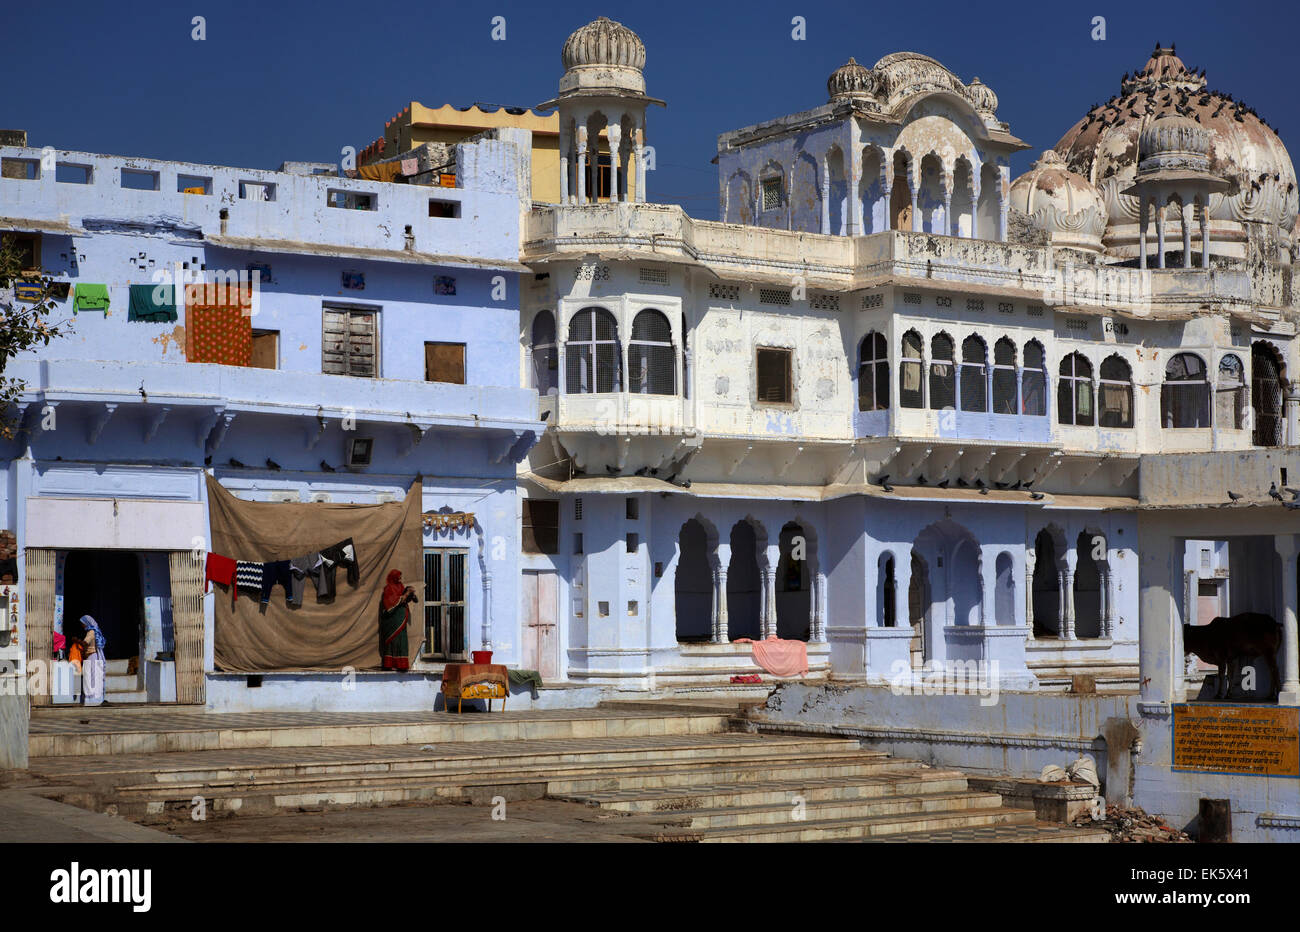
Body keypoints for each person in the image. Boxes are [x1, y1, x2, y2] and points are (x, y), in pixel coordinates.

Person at [379, 570, 417, 671]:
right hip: (392, 620)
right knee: (393, 640)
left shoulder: (400, 586)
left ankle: (401, 665)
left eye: (401, 577)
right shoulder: (388, 588)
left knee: (402, 640)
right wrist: (405, 595)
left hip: (401, 618)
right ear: (393, 578)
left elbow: (404, 599)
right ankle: (389, 665)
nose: (400, 579)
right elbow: (390, 604)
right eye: (398, 577)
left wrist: (410, 594)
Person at [79, 615, 107, 707]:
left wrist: (76, 641)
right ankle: (97, 698)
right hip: (94, 656)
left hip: (91, 656)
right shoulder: (95, 631)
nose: (82, 626)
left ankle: (92, 700)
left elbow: (85, 643)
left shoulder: (90, 632)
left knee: (91, 677)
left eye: (82, 624)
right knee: (95, 677)